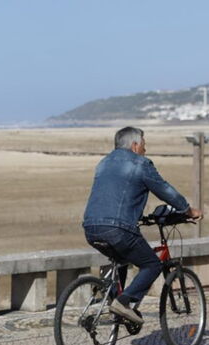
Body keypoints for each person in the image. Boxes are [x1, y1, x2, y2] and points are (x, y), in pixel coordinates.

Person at [82, 126, 202, 325]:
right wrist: (188, 210)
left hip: (90, 227)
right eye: (144, 145)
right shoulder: (140, 163)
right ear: (135, 145)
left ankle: (113, 300)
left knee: (120, 258)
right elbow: (165, 190)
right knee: (152, 264)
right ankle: (123, 302)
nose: (145, 150)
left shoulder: (103, 163)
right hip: (118, 229)